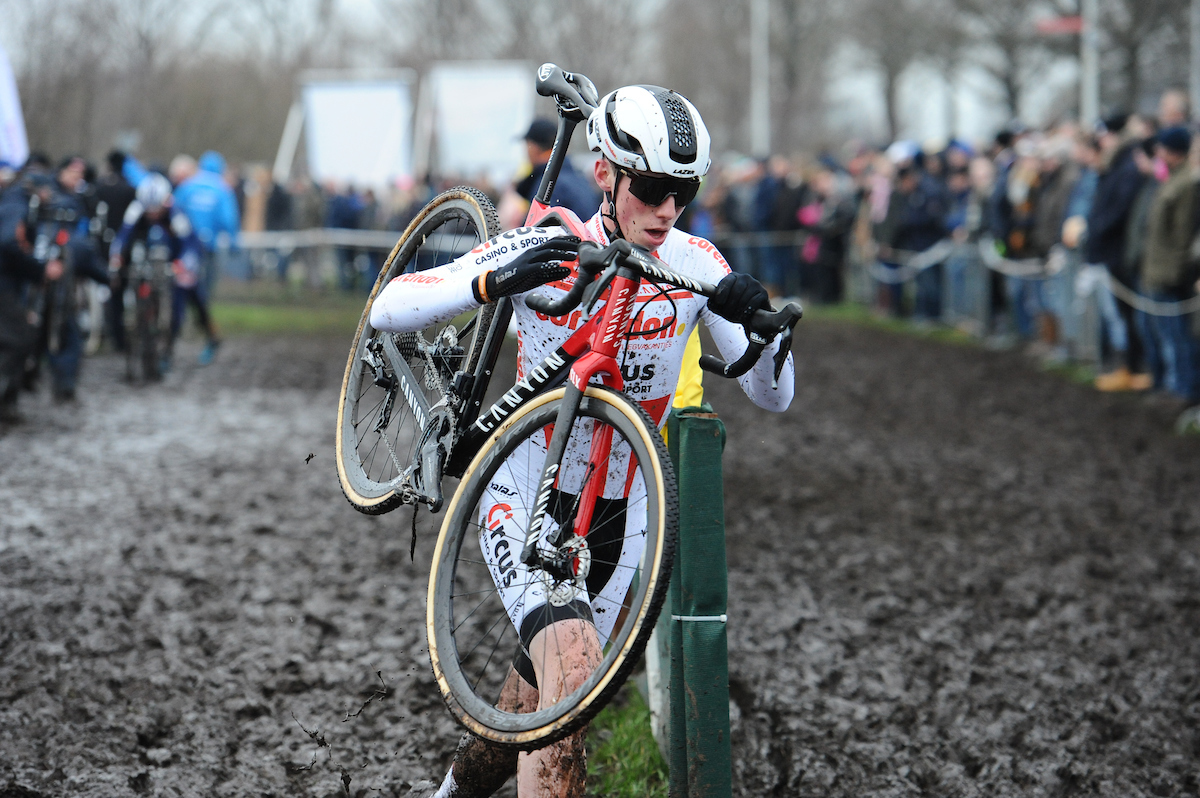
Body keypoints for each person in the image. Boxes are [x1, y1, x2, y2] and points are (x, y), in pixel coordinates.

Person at [371, 84, 794, 798]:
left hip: (620, 520)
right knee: (568, 680)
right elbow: (388, 306)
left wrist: (764, 332)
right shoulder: (555, 240)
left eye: (683, 192)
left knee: (535, 698)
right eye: (653, 187)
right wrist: (489, 281)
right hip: (527, 490)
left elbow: (774, 397)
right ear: (605, 173)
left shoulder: (695, 264)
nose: (666, 210)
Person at [111, 173, 220, 368]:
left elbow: (191, 245)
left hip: (175, 257)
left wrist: (182, 265)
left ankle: (194, 339)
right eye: (149, 210)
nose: (153, 214)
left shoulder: (175, 212)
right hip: (148, 257)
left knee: (186, 295)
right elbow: (122, 237)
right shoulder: (136, 209)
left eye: (157, 210)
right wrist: (117, 258)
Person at [1138, 126, 1199, 406]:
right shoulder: (1171, 180)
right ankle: (1173, 386)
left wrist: (1176, 273)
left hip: (1169, 274)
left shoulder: (1186, 183)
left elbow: (1182, 234)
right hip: (1157, 270)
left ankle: (1183, 390)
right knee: (1164, 334)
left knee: (1178, 338)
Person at [172, 150, 239, 295]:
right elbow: (229, 219)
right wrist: (233, 242)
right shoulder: (223, 189)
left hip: (186, 241)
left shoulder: (188, 185)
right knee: (207, 279)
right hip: (209, 244)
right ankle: (204, 305)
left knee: (185, 277)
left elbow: (174, 209)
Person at [512, 118, 600, 221]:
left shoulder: (547, 185)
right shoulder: (579, 178)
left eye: (527, 145)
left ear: (534, 148)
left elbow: (537, 231)